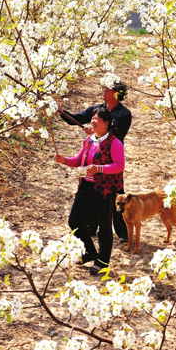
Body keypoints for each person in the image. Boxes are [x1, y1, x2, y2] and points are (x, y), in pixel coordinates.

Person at [57, 81, 131, 243]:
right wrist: (62, 112)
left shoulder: (124, 114)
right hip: (92, 155)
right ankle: (91, 228)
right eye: (103, 87)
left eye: (107, 89)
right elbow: (75, 119)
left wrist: (97, 131)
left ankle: (123, 232)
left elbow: (119, 135)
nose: (103, 91)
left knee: (115, 194)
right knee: (90, 191)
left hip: (110, 159)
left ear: (117, 93)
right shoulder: (96, 110)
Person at [55, 106, 125, 275]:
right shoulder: (89, 140)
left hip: (104, 189)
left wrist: (99, 169)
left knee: (104, 227)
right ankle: (88, 252)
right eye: (92, 118)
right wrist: (64, 160)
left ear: (106, 123)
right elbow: (79, 160)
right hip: (85, 186)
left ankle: (102, 262)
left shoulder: (115, 142)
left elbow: (119, 165)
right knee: (74, 221)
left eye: (97, 119)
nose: (93, 121)